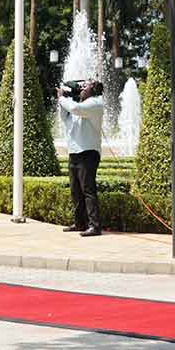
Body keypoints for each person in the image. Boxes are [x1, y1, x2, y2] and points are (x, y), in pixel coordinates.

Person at [58, 79, 105, 237]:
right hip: (74, 152)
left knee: (88, 190)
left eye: (86, 85)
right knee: (75, 191)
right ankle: (80, 223)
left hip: (88, 152)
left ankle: (95, 226)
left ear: (94, 89)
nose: (82, 87)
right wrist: (66, 97)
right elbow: (65, 117)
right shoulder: (81, 104)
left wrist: (62, 98)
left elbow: (75, 109)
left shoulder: (95, 103)